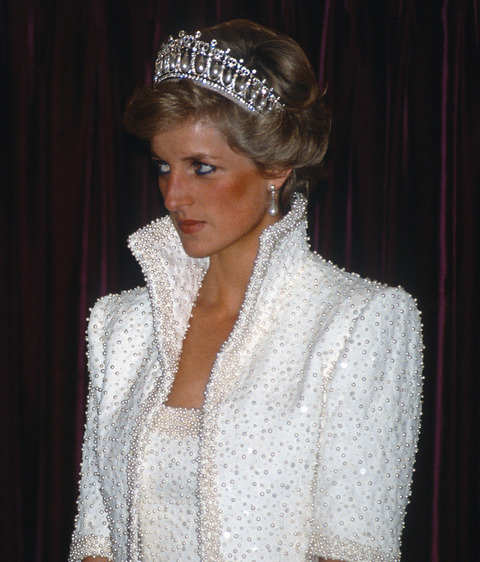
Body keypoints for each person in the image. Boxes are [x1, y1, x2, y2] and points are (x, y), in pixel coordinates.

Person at [69, 20, 422, 562]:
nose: (173, 195)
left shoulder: (359, 321)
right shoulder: (120, 327)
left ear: (276, 169)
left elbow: (352, 548)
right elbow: (96, 541)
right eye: (164, 167)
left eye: (202, 168)